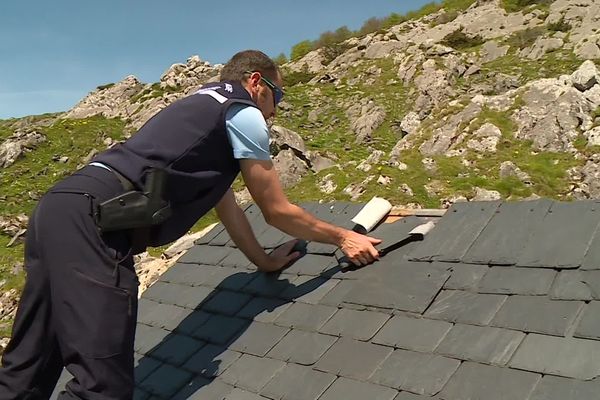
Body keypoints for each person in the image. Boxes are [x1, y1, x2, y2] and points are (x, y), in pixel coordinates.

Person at [0, 50, 381, 399]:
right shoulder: (242, 111)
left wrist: (263, 261)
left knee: (27, 368)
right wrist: (343, 236)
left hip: (60, 207)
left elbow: (225, 203)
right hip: (96, 219)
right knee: (103, 387)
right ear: (255, 83)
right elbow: (276, 210)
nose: (275, 112)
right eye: (276, 97)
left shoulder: (201, 110)